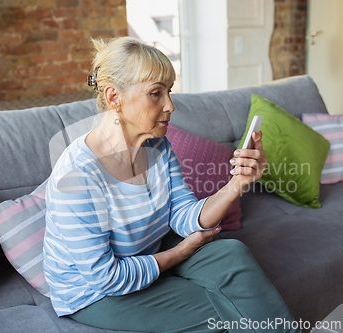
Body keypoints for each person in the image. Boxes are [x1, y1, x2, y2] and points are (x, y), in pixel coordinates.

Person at [43, 36, 301, 333]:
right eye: (156, 93)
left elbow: (184, 216)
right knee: (224, 308)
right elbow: (105, 277)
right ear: (115, 98)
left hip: (145, 251)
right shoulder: (76, 175)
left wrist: (237, 184)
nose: (170, 105)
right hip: (94, 293)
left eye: (169, 91)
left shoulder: (158, 147)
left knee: (232, 253)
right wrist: (178, 254)